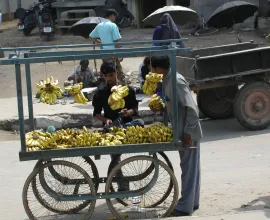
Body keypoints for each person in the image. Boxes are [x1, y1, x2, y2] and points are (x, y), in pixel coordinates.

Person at [151, 56, 203, 217]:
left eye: (153, 68)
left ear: (159, 69)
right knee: (191, 168)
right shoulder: (168, 80)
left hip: (188, 133)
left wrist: (188, 131)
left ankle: (184, 207)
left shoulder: (176, 82)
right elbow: (175, 104)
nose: (152, 72)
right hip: (182, 131)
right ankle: (191, 202)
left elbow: (191, 109)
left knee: (188, 169)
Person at [92, 61, 144, 128]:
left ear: (116, 73)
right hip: (111, 124)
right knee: (109, 128)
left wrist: (128, 112)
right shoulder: (100, 93)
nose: (108, 78)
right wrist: (105, 120)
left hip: (127, 123)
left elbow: (134, 108)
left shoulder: (127, 90)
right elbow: (96, 113)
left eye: (111, 75)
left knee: (140, 122)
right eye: (105, 76)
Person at [89, 9, 126, 84]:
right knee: (118, 72)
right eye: (114, 16)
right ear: (112, 15)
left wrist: (101, 43)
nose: (115, 18)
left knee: (106, 72)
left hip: (104, 53)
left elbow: (91, 37)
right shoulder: (113, 25)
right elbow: (116, 41)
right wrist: (120, 54)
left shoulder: (99, 25)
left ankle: (107, 88)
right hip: (113, 53)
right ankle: (123, 89)